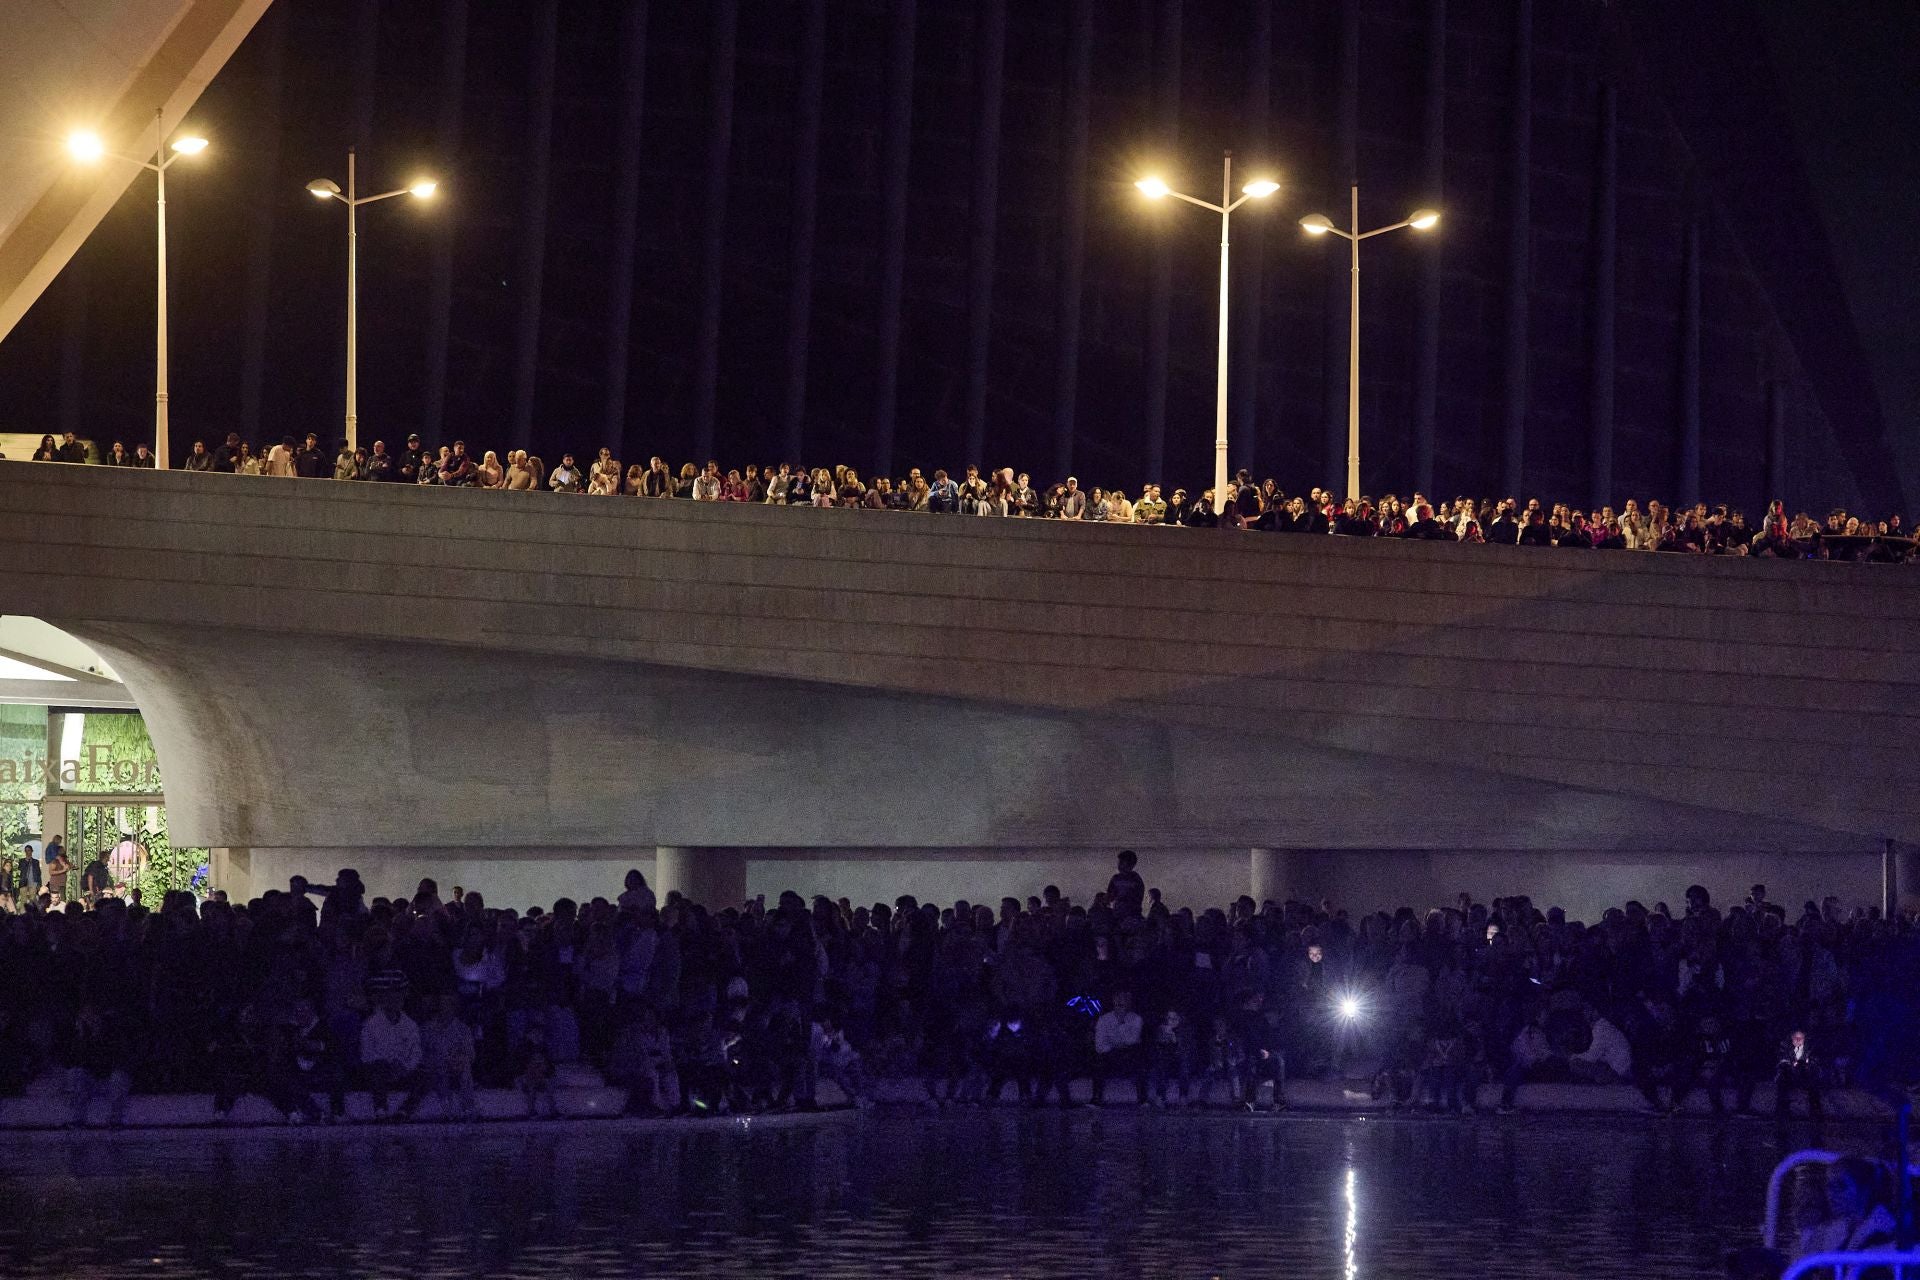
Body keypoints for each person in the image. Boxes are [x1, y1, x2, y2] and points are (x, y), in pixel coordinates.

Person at [358, 975, 424, 1118]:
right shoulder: (370, 1024)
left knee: (425, 1074)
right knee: (378, 1068)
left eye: (397, 998)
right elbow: (366, 1054)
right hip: (380, 1071)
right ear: (384, 1000)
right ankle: (381, 1109)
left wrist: (405, 1067)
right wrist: (389, 1064)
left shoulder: (410, 1025)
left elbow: (416, 1053)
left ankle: (404, 1111)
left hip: (403, 1071)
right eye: (390, 998)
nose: (394, 1002)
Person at [1091, 990, 1146, 1105]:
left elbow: (1133, 1040)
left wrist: (1121, 1025)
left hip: (1129, 1055)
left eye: (1124, 999)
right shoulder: (1104, 1020)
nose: (1121, 1002)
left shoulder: (1136, 1019)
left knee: (1139, 1057)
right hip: (1109, 1055)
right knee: (1098, 1061)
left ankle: (1142, 1098)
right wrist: (1115, 1046)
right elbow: (1099, 1045)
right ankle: (1096, 1098)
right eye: (1118, 999)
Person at [1775, 1029, 1822, 1119]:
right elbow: (1782, 1060)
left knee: (1814, 1082)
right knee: (1783, 1079)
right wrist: (1792, 1065)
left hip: (1806, 1074)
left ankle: (1816, 1112)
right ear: (1792, 1038)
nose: (1798, 1040)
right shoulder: (1785, 1047)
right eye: (1796, 1038)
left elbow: (1815, 1060)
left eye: (1800, 1038)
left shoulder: (1809, 1048)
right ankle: (1782, 1111)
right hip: (1790, 1074)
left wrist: (1806, 1064)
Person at [1106, 850, 1145, 918]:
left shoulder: (1135, 879)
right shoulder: (1116, 878)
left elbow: (1137, 898)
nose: (1118, 865)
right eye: (1119, 862)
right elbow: (1110, 896)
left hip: (1131, 915)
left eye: (1121, 862)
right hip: (1118, 913)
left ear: (1131, 864)